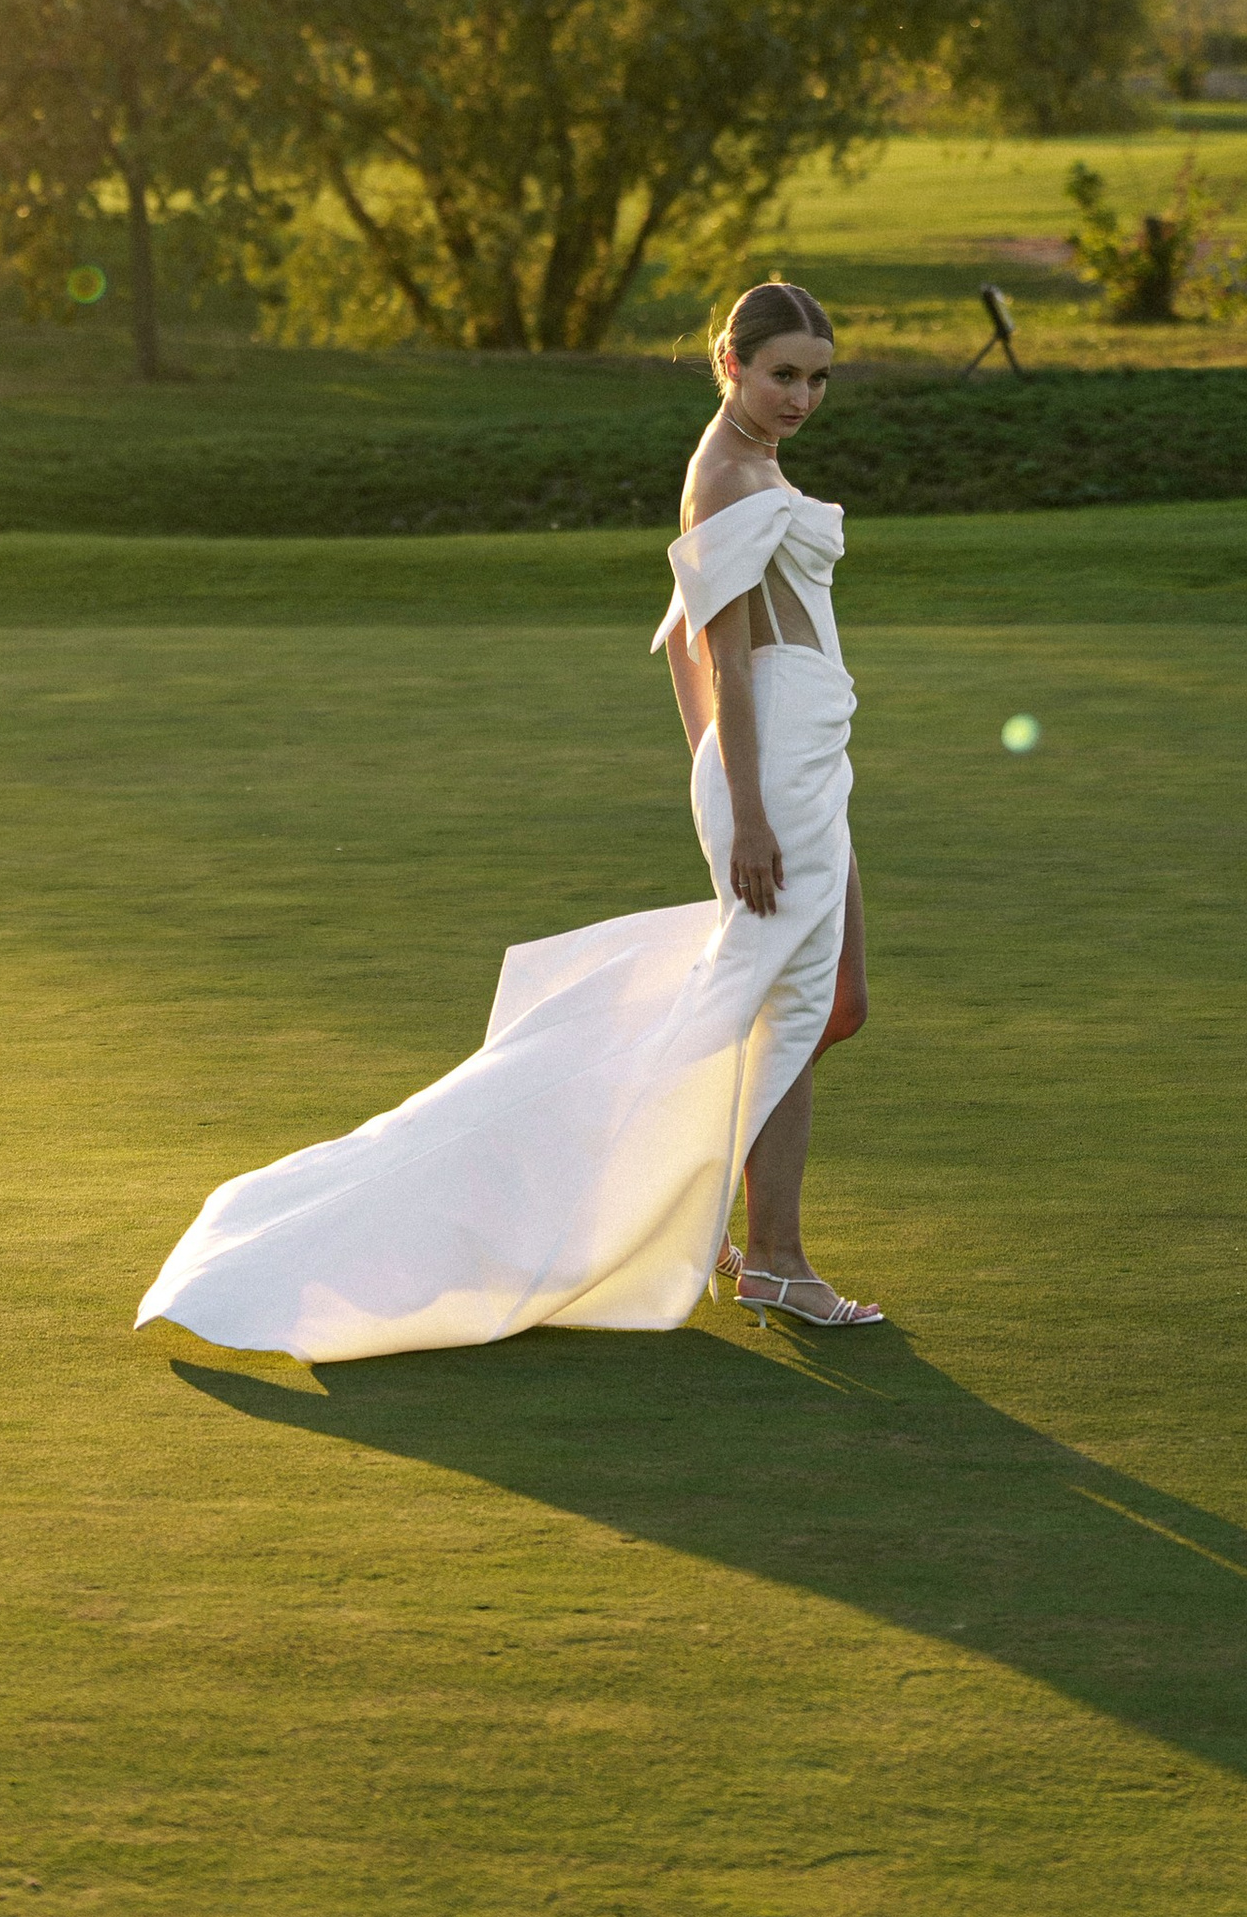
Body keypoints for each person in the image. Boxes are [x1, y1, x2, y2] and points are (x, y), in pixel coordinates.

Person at [134, 277, 882, 1360]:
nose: (801, 396)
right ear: (729, 364)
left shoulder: (759, 463)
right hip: (776, 781)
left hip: (805, 761)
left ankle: (697, 1204)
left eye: (817, 377)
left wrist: (717, 773)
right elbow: (715, 648)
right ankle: (773, 1260)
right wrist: (743, 808)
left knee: (836, 1000)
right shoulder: (721, 473)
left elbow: (674, 639)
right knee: (793, 1004)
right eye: (781, 375)